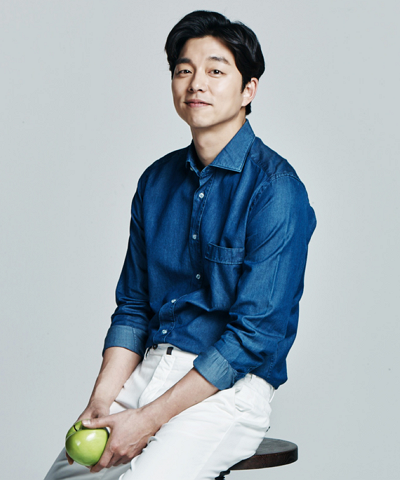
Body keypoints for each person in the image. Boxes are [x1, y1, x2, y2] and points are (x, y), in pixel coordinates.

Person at [44, 10, 316, 480]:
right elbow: (134, 308)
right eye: (184, 70)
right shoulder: (155, 182)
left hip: (229, 389)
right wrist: (102, 401)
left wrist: (148, 420)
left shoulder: (276, 190)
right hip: (149, 369)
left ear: (248, 90)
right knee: (65, 476)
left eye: (216, 71)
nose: (196, 84)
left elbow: (253, 338)